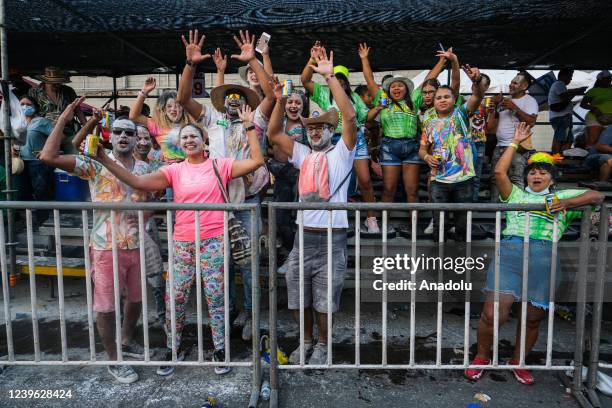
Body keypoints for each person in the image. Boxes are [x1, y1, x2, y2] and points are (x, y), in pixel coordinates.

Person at [89, 102, 265, 376]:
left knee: (216, 298)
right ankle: (173, 348)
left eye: (194, 135)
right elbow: (138, 183)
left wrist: (251, 127)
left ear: (204, 140)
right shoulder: (174, 170)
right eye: (184, 137)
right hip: (182, 241)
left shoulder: (221, 165)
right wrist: (103, 160)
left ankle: (220, 350)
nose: (189, 140)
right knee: (176, 299)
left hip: (214, 240)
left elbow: (256, 161)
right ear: (180, 145)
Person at [466, 122, 604, 385]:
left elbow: (596, 195)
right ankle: (481, 357)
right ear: (527, 177)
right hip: (510, 255)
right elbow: (498, 172)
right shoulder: (515, 195)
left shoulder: (564, 195)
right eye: (532, 172)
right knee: (493, 314)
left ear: (552, 178)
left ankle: (518, 362)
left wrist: (567, 202)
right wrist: (515, 142)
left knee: (532, 318)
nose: (536, 176)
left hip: (544, 260)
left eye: (543, 172)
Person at [40, 98, 149, 384]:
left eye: (129, 132)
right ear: (109, 137)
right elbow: (48, 157)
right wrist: (65, 116)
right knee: (105, 305)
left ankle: (125, 342)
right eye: (118, 132)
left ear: (137, 138)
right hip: (104, 245)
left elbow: (152, 199)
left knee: (136, 299)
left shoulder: (145, 169)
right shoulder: (95, 165)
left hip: (138, 244)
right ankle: (114, 360)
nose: (124, 136)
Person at [177, 29, 274, 341]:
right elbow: (182, 99)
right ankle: (228, 312)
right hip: (217, 203)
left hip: (247, 201)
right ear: (223, 103)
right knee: (223, 263)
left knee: (249, 261)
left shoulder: (254, 119)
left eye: (239, 97)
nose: (234, 102)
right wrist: (191, 66)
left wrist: (253, 60)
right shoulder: (211, 119)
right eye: (229, 98)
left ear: (245, 101)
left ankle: (250, 314)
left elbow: (272, 96)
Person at [268, 48, 357, 365]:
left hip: (332, 238)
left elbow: (350, 116)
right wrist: (279, 101)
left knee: (324, 300)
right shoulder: (303, 153)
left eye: (321, 127)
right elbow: (274, 133)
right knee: (296, 295)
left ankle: (323, 345)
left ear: (331, 132)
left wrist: (329, 76)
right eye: (311, 127)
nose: (315, 130)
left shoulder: (342, 152)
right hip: (303, 236)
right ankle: (305, 341)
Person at [302, 41, 379, 234]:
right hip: (330, 141)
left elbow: (365, 117)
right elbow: (304, 80)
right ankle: (338, 218)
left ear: (346, 82)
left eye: (342, 79)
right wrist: (312, 58)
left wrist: (377, 109)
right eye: (337, 78)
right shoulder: (323, 93)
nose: (340, 82)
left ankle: (371, 219)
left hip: (355, 139)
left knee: (365, 180)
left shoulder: (355, 99)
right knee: (332, 181)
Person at [418, 64, 487, 240]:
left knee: (462, 225)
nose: (442, 100)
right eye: (438, 97)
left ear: (454, 99)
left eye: (446, 97)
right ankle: (438, 261)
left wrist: (477, 81)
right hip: (438, 180)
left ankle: (461, 259)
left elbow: (478, 95)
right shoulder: (429, 121)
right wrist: (426, 157)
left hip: (463, 178)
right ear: (433, 102)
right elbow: (422, 149)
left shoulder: (461, 113)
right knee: (438, 226)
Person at [488, 72, 539, 202]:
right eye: (511, 82)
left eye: (515, 83)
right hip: (499, 147)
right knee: (495, 179)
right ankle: (496, 212)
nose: (511, 85)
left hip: (518, 148)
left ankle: (516, 212)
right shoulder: (504, 101)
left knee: (516, 178)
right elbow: (491, 128)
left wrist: (514, 108)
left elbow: (531, 122)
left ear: (525, 86)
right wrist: (493, 109)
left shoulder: (530, 100)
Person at [129, 77, 191, 164]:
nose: (173, 109)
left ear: (183, 108)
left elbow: (210, 138)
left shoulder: (191, 125)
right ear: (164, 110)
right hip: (169, 170)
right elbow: (133, 116)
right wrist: (144, 92)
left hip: (191, 169)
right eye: (169, 106)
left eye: (177, 105)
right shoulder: (157, 125)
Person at [17, 95, 55, 228]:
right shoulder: (17, 123)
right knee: (23, 193)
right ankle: (27, 223)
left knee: (41, 192)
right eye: (22, 104)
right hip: (21, 163)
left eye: (28, 104)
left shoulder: (41, 122)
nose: (25, 107)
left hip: (38, 163)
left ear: (35, 107)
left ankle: (42, 222)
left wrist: (46, 150)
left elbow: (57, 137)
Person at [28, 66, 86, 153]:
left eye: (59, 82)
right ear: (45, 81)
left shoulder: (68, 91)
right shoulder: (34, 92)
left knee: (74, 159)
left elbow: (78, 111)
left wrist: (88, 129)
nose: (57, 84)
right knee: (48, 161)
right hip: (45, 135)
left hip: (68, 134)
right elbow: (29, 114)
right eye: (53, 83)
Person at [468, 74, 494, 202]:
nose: (477, 86)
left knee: (476, 176)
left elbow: (490, 127)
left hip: (479, 143)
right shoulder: (465, 101)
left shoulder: (487, 104)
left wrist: (491, 112)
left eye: (481, 84)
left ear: (487, 87)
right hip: (464, 143)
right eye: (475, 83)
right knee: (464, 175)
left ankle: (472, 204)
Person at [548, 68, 586, 154]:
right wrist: (576, 92)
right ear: (563, 76)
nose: (571, 79)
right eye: (570, 76)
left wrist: (574, 91)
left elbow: (565, 95)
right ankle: (556, 158)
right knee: (560, 139)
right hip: (562, 117)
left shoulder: (558, 85)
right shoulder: (559, 84)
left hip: (562, 117)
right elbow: (566, 97)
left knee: (568, 140)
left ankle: (561, 156)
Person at [580, 70, 612, 147]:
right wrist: (594, 109)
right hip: (595, 117)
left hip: (611, 119)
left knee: (608, 142)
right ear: (600, 80)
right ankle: (591, 157)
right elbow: (583, 104)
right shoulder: (592, 91)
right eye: (606, 78)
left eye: (610, 78)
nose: (609, 80)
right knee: (593, 141)